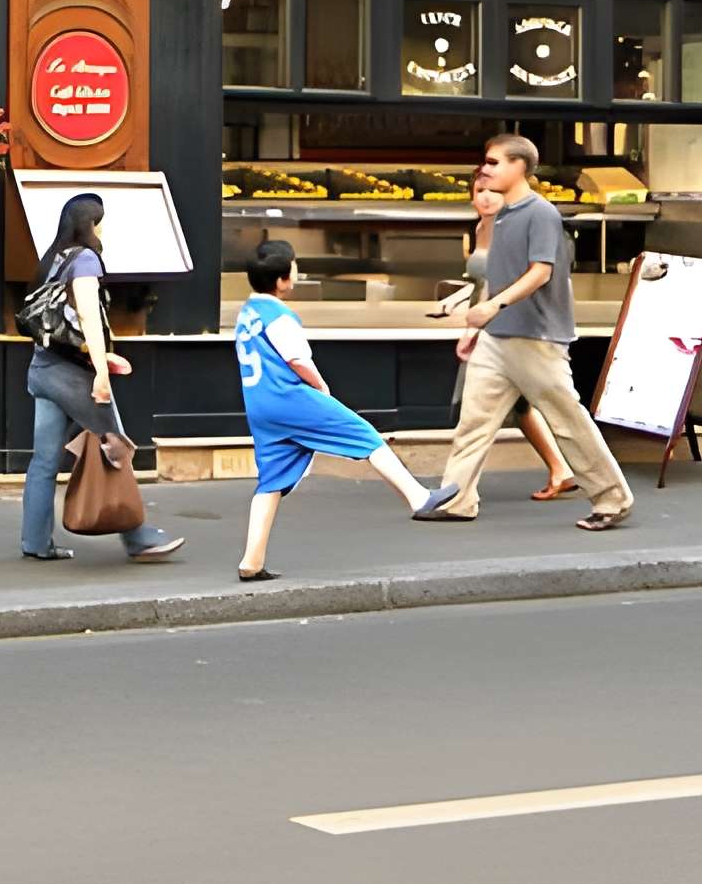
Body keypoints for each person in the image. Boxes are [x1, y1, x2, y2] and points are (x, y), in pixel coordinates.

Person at [425, 134, 633, 532]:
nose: (485, 170)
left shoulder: (541, 214)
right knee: (474, 421)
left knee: (566, 418)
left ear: (519, 166)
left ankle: (612, 499)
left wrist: (493, 306)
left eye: (493, 162)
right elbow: (498, 275)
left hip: (535, 337)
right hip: (497, 336)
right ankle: (457, 498)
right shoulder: (503, 214)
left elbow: (541, 272)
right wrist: (481, 322)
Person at [233, 239, 446, 580]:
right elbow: (297, 359)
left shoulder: (247, 313)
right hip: (290, 398)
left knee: (270, 481)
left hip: (259, 404)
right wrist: (320, 387)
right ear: (282, 280)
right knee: (365, 435)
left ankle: (251, 561)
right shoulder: (280, 316)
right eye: (294, 265)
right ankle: (419, 497)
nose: (297, 270)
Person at [20, 192, 183, 564]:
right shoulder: (86, 260)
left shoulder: (51, 260)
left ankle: (35, 541)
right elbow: (89, 318)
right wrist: (99, 371)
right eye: (101, 219)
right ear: (91, 224)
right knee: (115, 448)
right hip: (75, 376)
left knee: (43, 461)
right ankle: (137, 537)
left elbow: (60, 322)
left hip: (43, 369)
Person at [454, 169, 577, 499]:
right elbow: (483, 286)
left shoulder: (527, 225)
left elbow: (546, 277)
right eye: (479, 190)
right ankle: (460, 492)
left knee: (536, 407)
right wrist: (472, 328)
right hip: (491, 329)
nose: (486, 197)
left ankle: (459, 492)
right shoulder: (481, 228)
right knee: (503, 410)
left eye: (492, 190)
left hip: (524, 328)